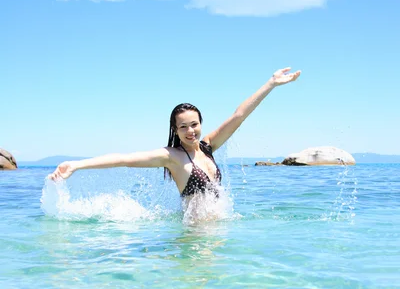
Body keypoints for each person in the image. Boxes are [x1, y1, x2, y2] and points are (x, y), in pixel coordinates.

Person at [49, 67, 301, 197]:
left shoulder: (208, 146)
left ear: (201, 123)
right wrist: (77, 165)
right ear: (175, 130)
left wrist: (271, 84)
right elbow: (123, 158)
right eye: (183, 127)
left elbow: (239, 115)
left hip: (216, 235)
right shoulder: (171, 157)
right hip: (192, 240)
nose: (191, 131)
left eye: (194, 124)